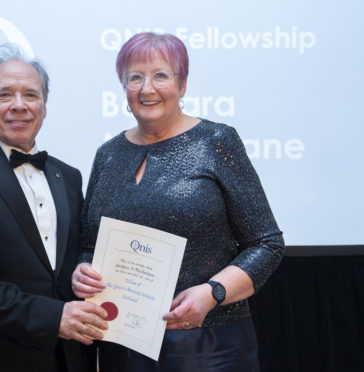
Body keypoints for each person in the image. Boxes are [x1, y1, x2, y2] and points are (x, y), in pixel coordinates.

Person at [71, 32, 285, 371]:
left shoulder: (217, 141)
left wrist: (212, 292)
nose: (147, 88)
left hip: (209, 344)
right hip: (123, 345)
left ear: (182, 85)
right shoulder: (108, 154)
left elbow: (267, 243)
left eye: (160, 75)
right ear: (123, 87)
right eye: (135, 77)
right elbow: (88, 245)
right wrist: (82, 270)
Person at [0, 43, 108, 372]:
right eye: (4, 95)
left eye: (30, 94)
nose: (18, 106)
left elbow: (71, 263)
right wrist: (53, 317)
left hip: (70, 359)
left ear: (44, 106)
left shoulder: (68, 176)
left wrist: (84, 272)